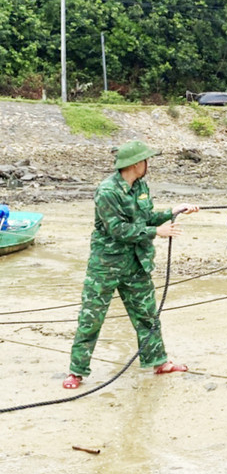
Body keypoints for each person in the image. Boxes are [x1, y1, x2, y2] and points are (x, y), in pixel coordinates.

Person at [63, 140, 199, 389]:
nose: (148, 165)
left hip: (136, 263)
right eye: (146, 160)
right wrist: (156, 232)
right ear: (137, 164)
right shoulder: (107, 191)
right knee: (91, 318)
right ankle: (76, 371)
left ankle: (159, 362)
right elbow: (117, 229)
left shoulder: (141, 186)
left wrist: (174, 211)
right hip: (106, 265)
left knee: (147, 315)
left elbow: (145, 217)